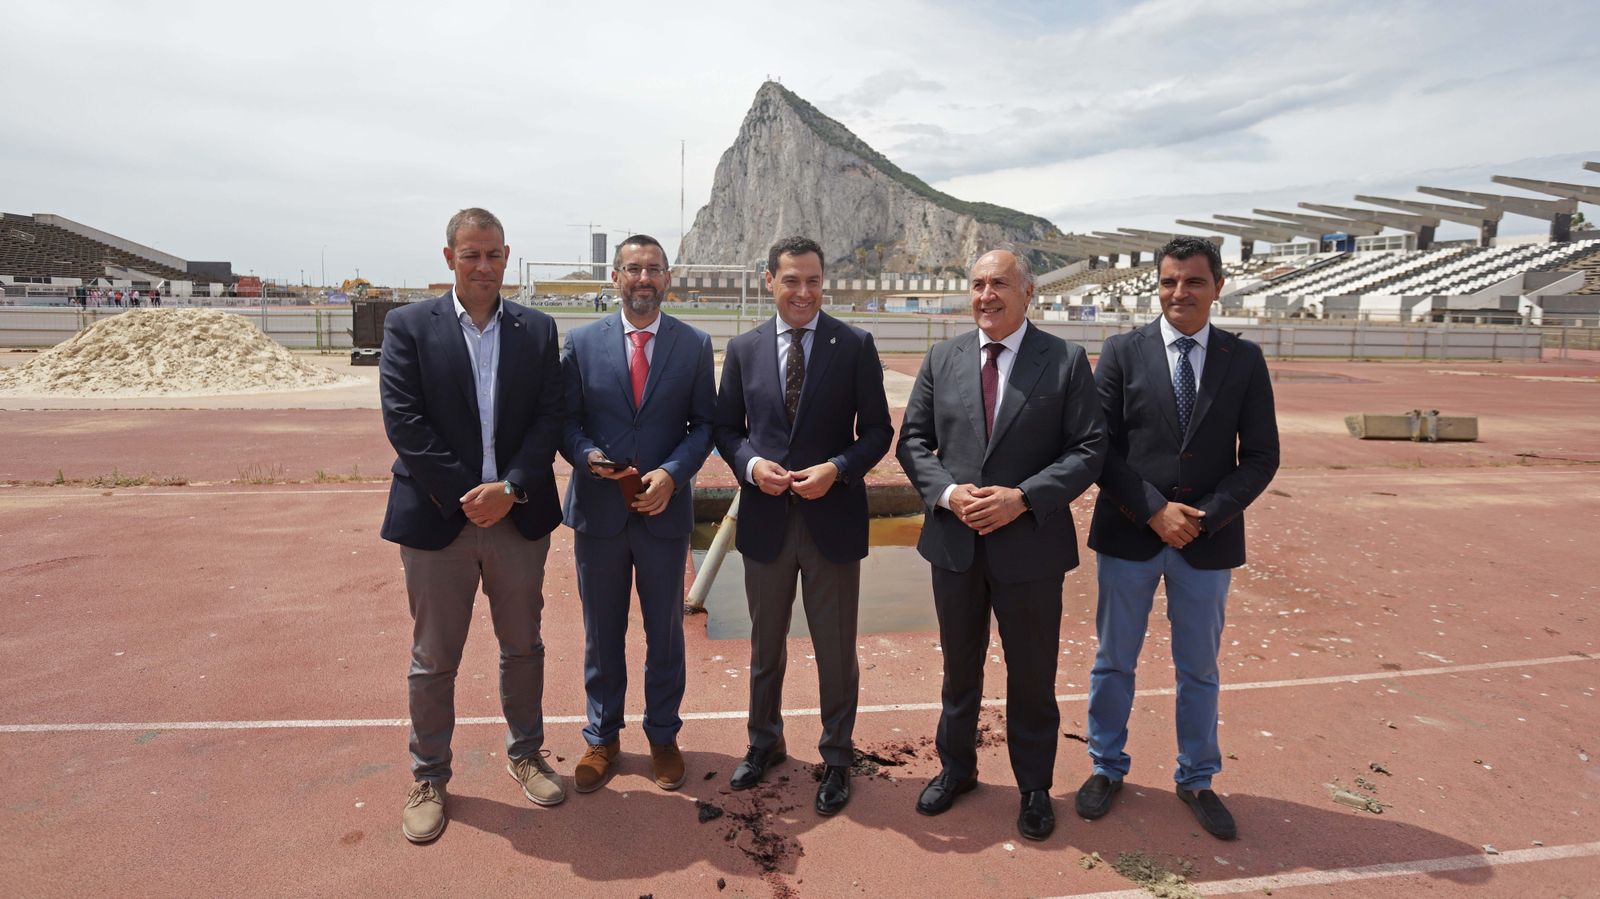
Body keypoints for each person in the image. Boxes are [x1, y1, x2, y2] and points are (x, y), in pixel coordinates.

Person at [896, 247, 1106, 841]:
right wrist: (947, 493)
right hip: (955, 544)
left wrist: (1023, 497)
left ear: (1028, 292)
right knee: (959, 669)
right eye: (979, 284)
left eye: (1000, 284)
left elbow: (1089, 449)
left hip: (1030, 547)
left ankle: (1034, 787)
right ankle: (956, 769)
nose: (987, 295)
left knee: (1031, 675)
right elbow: (912, 441)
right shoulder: (943, 357)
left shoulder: (1064, 361)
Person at [1078, 236, 1279, 841]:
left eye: (1193, 281)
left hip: (1206, 541)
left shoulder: (1243, 360)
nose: (1179, 293)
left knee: (1199, 667)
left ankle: (1197, 777)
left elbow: (1262, 456)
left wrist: (1204, 517)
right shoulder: (1120, 352)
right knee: (1114, 661)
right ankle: (1106, 767)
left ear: (1218, 287)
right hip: (1131, 534)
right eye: (1168, 281)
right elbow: (1099, 449)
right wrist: (1153, 511)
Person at [379, 207, 567, 844]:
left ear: (507, 257)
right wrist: (469, 495)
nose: (483, 267)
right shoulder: (407, 326)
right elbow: (405, 423)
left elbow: (549, 420)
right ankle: (429, 773)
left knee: (523, 647)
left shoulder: (538, 331)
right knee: (434, 658)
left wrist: (510, 489)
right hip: (439, 519)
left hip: (517, 516)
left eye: (493, 256)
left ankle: (526, 753)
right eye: (471, 255)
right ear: (449, 257)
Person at [712, 236, 893, 817]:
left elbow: (877, 433)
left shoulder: (856, 344)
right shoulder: (742, 348)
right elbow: (726, 429)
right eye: (792, 280)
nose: (804, 292)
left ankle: (837, 757)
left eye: (813, 280)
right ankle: (763, 741)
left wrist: (838, 469)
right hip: (765, 519)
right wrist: (750, 465)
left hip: (831, 519)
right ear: (770, 281)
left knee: (836, 650)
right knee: (766, 647)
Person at [560, 234, 716, 793]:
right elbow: (567, 422)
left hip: (663, 515)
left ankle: (663, 735)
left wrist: (673, 475)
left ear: (667, 278)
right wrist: (588, 457)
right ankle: (602, 737)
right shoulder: (579, 343)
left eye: (653, 269)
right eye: (633, 269)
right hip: (598, 515)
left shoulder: (694, 345)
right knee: (601, 634)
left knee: (665, 635)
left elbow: (705, 427)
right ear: (615, 278)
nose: (643, 278)